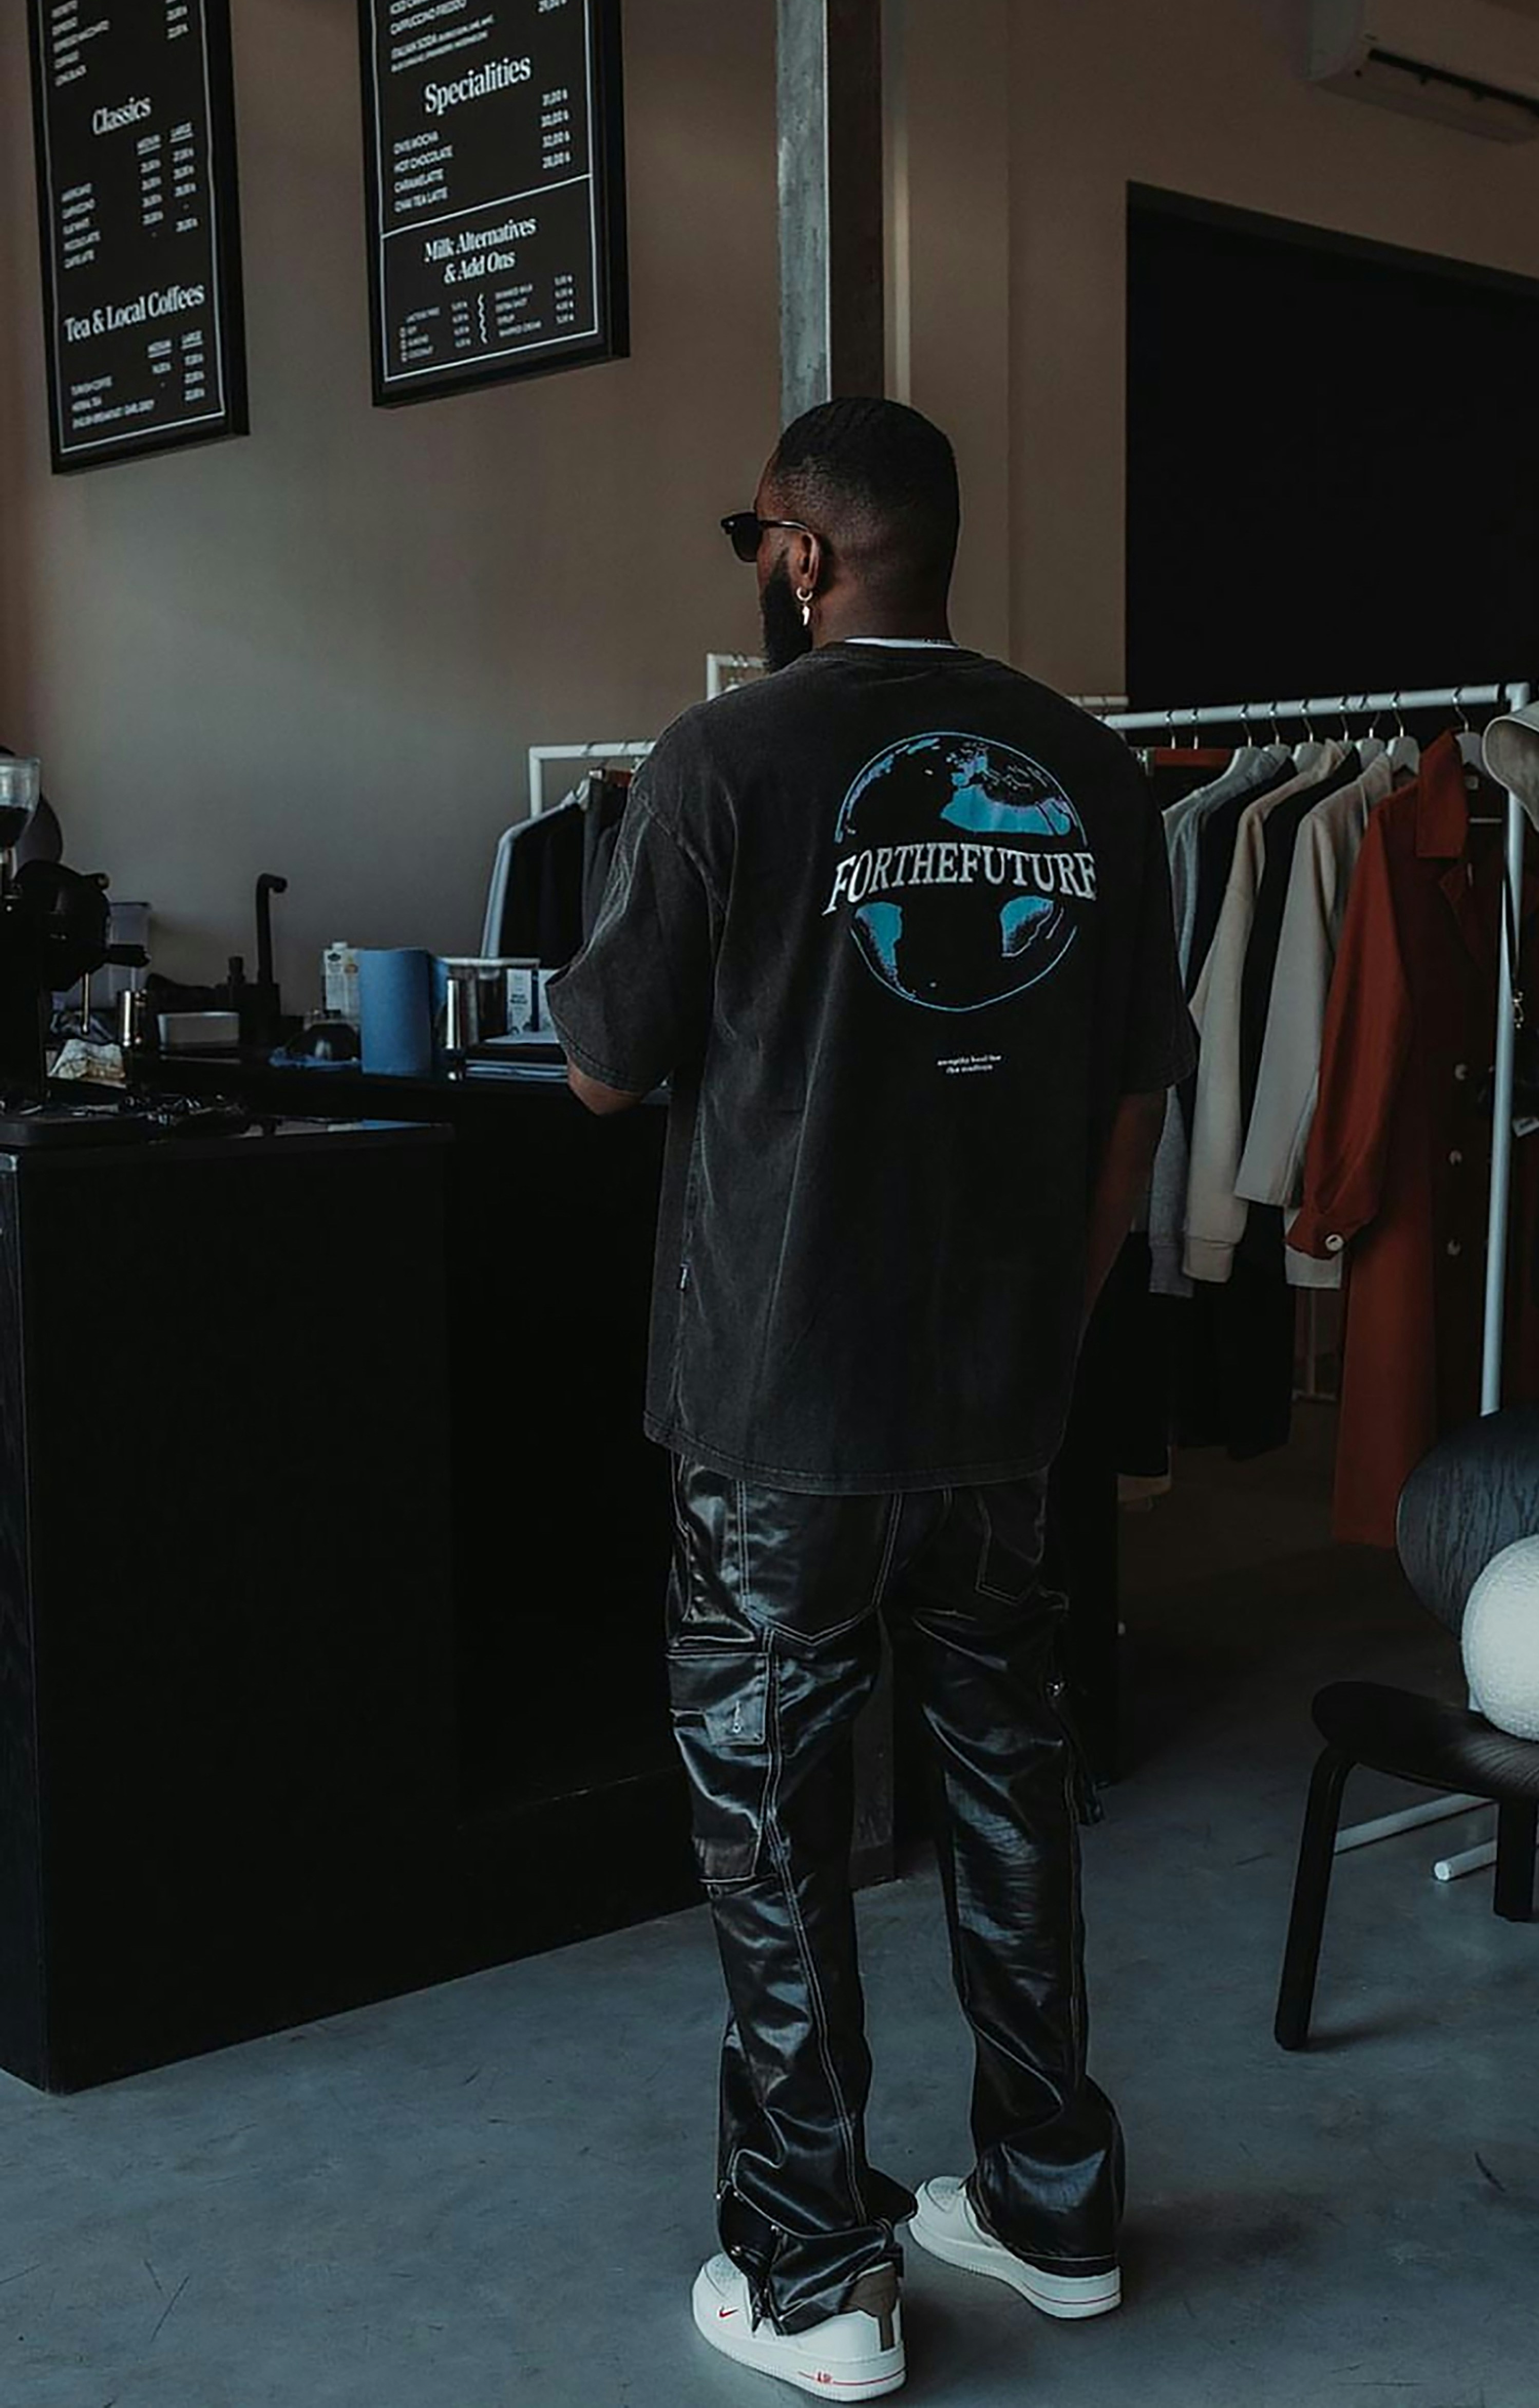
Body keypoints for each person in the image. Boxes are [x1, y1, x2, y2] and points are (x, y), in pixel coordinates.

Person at [546, 397, 1192, 2399]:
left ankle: (817, 2273)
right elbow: (1127, 1118)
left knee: (772, 1820)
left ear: (801, 558)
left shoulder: (724, 756)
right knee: (1006, 1779)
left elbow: (597, 1062)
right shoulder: (1092, 773)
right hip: (995, 1399)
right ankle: (1049, 2201)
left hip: (776, 1405)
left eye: (760, 535)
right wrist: (1044, 1343)